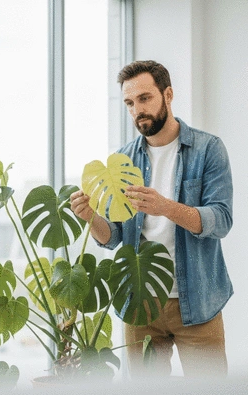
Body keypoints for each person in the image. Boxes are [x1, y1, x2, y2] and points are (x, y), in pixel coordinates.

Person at [70, 60, 233, 378]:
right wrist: (91, 217)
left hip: (198, 302)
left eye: (145, 98)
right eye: (129, 103)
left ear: (168, 95)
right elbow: (114, 235)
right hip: (139, 301)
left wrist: (166, 207)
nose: (136, 110)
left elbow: (221, 219)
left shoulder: (208, 150)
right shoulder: (123, 158)